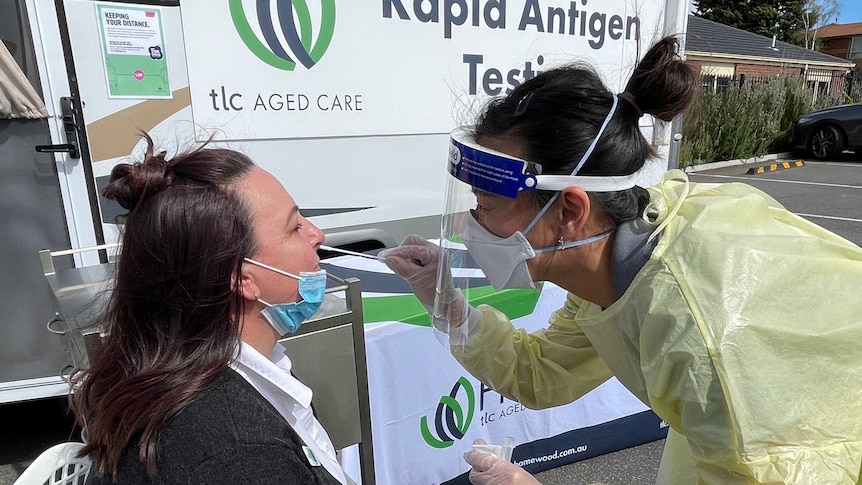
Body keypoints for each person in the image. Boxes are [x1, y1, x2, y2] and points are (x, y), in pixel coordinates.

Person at [381, 36, 862, 485]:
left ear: (570, 210)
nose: (474, 224)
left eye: (486, 204)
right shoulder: (629, 253)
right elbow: (546, 371)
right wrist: (444, 300)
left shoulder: (701, 338)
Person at [70, 134, 353, 484]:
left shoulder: (185, 366)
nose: (318, 234)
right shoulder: (242, 454)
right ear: (242, 279)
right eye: (294, 227)